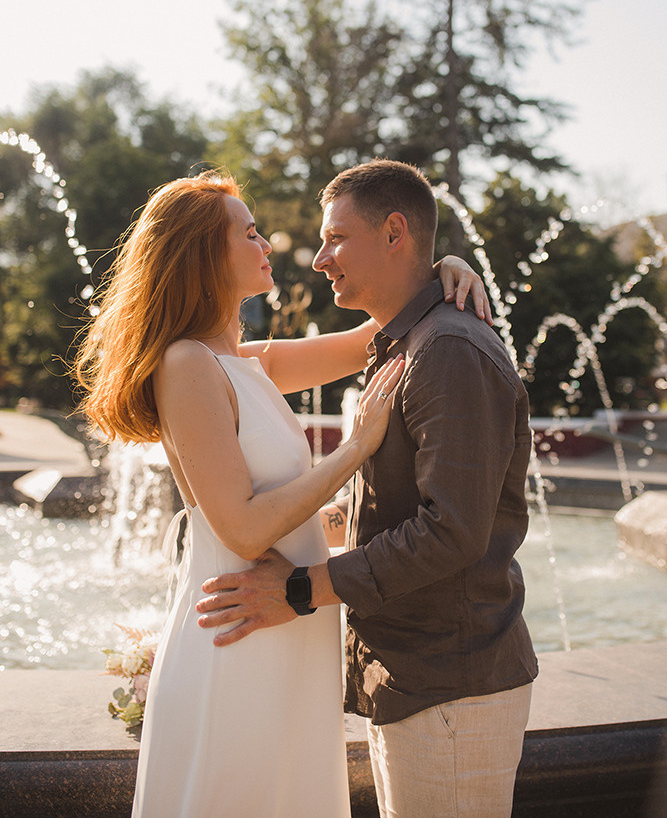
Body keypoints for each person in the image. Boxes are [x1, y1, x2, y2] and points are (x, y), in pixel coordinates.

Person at [74, 169, 490, 818]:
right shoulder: (187, 364)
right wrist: (355, 449)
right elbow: (241, 529)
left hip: (285, 622)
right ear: (205, 255)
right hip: (241, 632)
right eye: (249, 233)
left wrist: (443, 266)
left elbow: (375, 335)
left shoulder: (247, 361)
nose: (266, 243)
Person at [197, 160, 538, 818]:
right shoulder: (406, 341)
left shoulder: (446, 349)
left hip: (449, 684)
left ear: (393, 233)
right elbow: (403, 504)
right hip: (418, 678)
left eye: (336, 238)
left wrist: (300, 590)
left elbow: (450, 532)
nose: (318, 258)